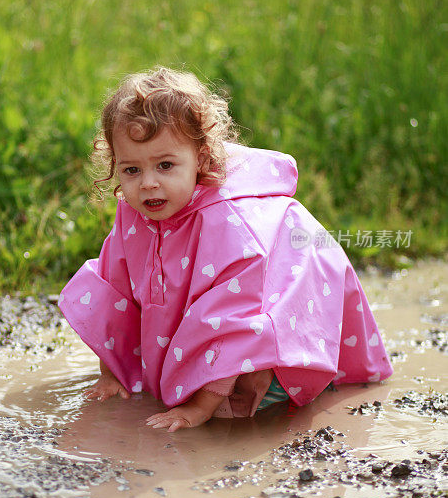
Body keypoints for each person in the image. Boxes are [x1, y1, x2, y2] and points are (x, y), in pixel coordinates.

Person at [58, 67, 393, 432]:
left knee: (245, 402)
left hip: (286, 296)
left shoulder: (227, 224)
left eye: (165, 165)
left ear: (201, 158)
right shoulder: (133, 214)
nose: (149, 184)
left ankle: (291, 385)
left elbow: (233, 323)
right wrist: (113, 373)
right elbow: (115, 293)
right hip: (241, 295)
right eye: (131, 169)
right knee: (170, 382)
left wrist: (198, 408)